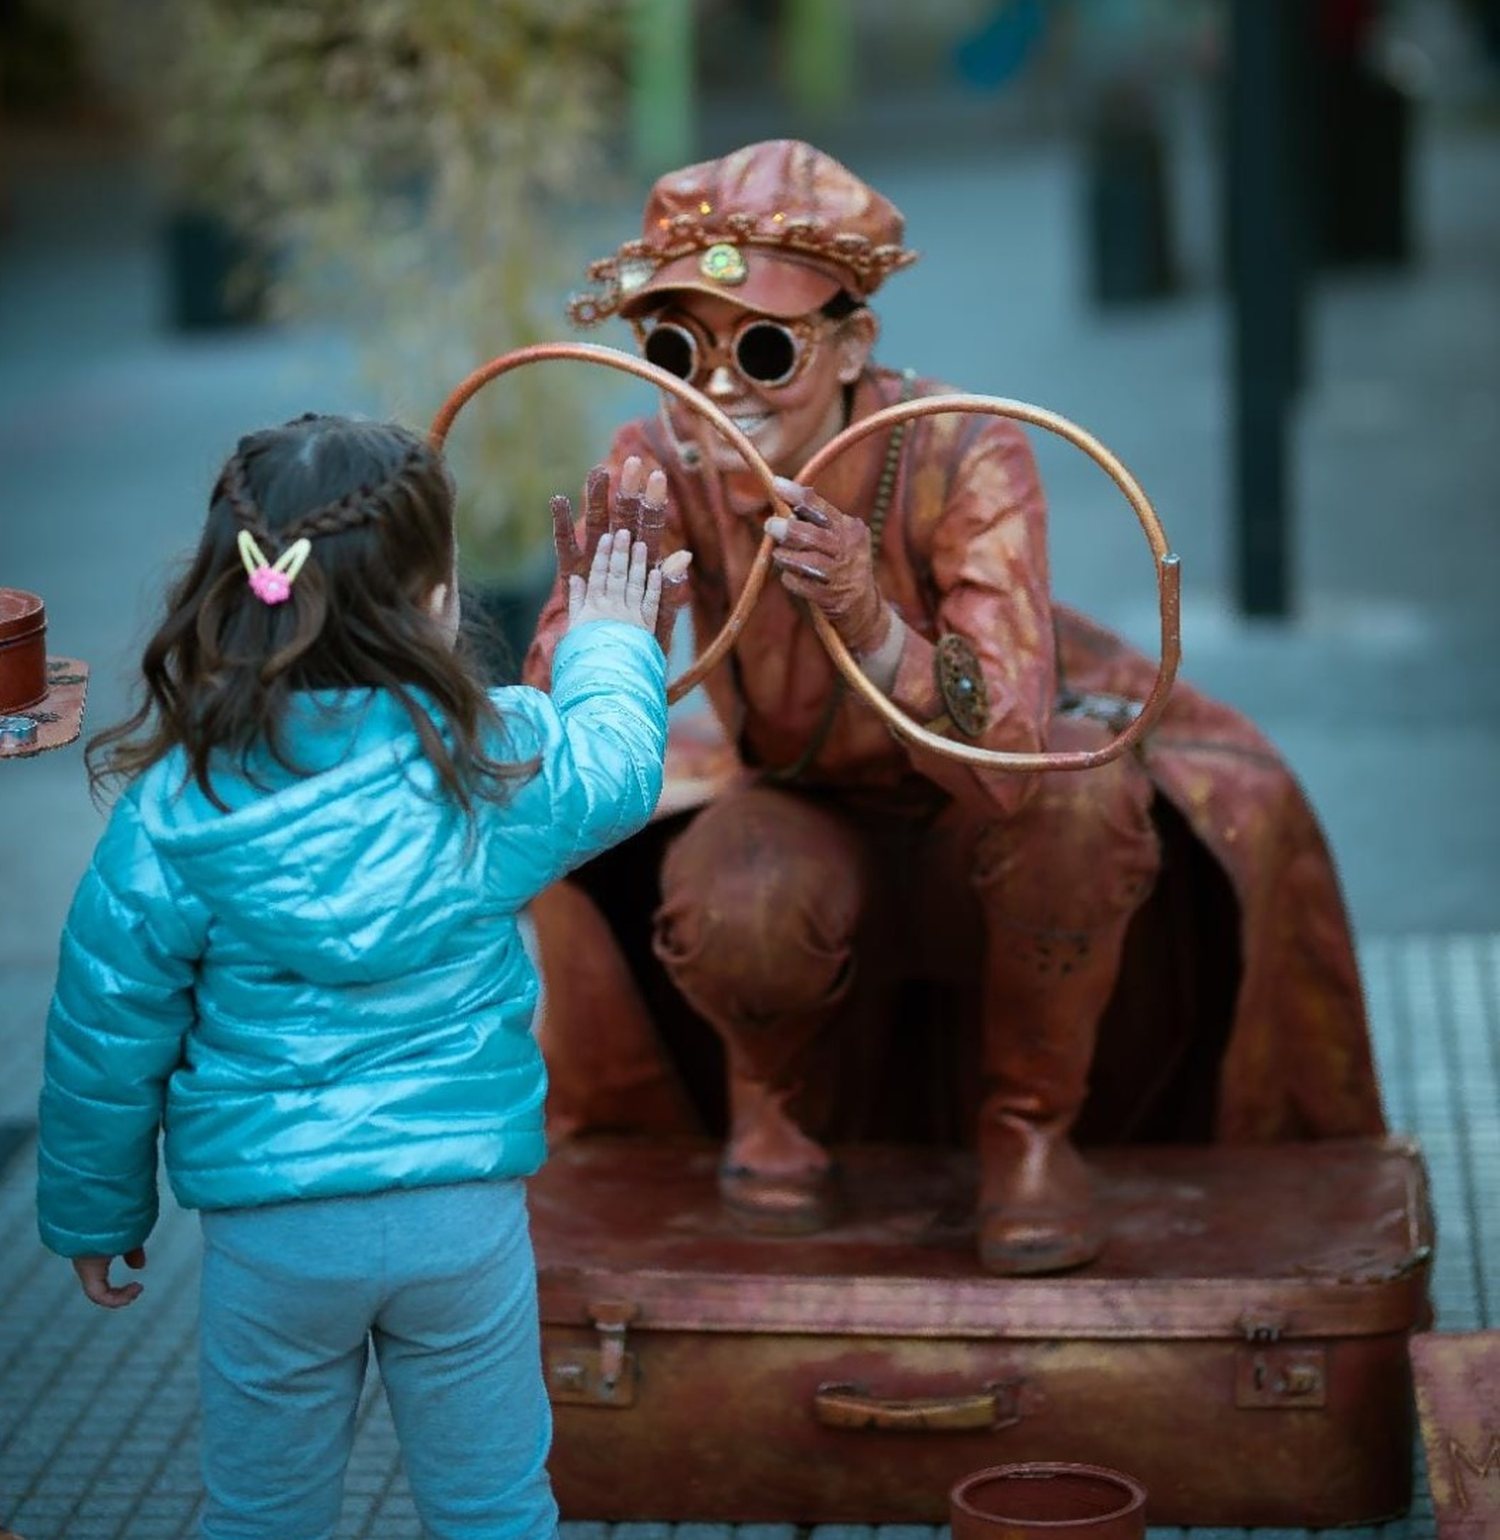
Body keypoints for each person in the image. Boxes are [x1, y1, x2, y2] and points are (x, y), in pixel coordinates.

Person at [522, 139, 1385, 1277]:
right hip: (803, 812)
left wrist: (872, 618)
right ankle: (770, 1101)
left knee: (1081, 804)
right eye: (678, 349)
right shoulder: (659, 456)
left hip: (980, 813)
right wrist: (599, 639)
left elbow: (1011, 753)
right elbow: (549, 741)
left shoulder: (964, 446)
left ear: (852, 344)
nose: (716, 389)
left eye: (764, 348)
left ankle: (1028, 1130)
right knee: (737, 888)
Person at [35, 412, 684, 1540]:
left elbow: (104, 1026)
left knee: (262, 1513)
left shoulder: (179, 807)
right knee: (493, 1507)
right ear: (437, 601)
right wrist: (612, 636)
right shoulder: (493, 756)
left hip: (272, 1232)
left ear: (232, 590)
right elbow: (619, 771)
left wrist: (97, 1208)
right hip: (460, 1215)